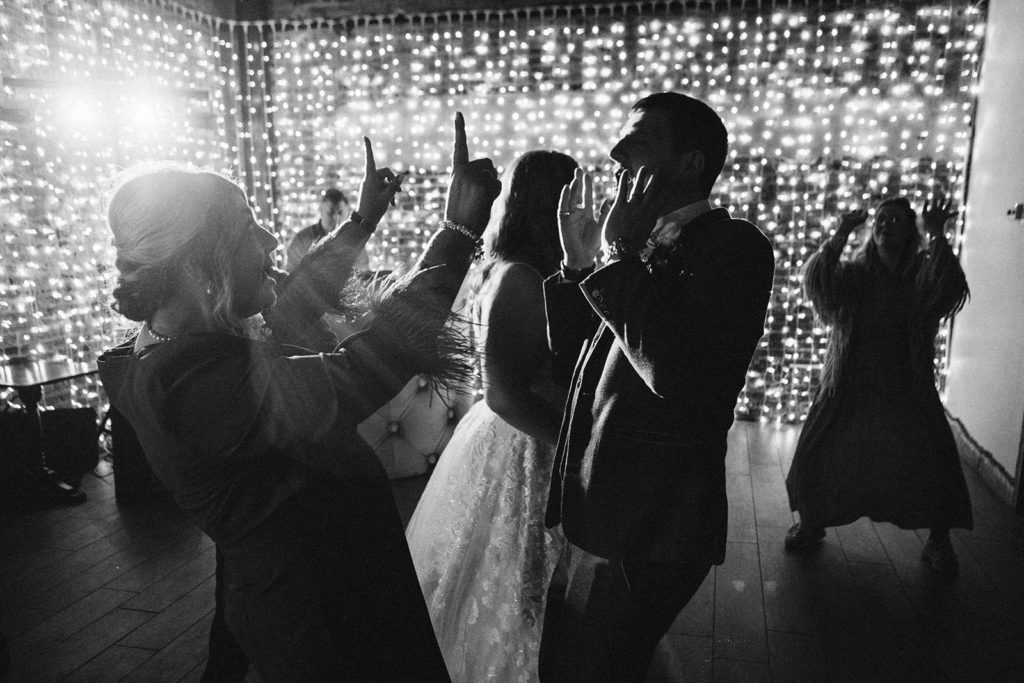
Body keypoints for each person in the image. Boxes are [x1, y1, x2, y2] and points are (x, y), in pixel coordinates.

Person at [97, 113, 501, 681]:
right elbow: (360, 373)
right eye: (247, 227)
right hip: (325, 618)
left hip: (314, 584)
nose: (268, 240)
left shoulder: (187, 342)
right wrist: (456, 233)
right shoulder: (187, 387)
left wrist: (362, 220)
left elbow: (295, 303)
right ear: (197, 263)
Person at [537, 92, 776, 681]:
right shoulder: (641, 242)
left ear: (691, 163)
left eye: (638, 139)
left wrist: (619, 255)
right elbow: (576, 366)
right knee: (568, 663)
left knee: (591, 670)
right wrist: (578, 264)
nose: (616, 151)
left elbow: (675, 373)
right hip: (601, 506)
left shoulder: (735, 246)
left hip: (652, 521)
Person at [405, 150, 578, 682]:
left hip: (514, 433)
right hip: (524, 439)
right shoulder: (521, 277)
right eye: (573, 197)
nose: (583, 208)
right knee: (518, 576)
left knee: (508, 573)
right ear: (550, 204)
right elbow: (505, 394)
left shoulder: (514, 268)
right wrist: (580, 446)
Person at [783, 196, 972, 576]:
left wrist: (938, 234)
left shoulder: (922, 270)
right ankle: (812, 522)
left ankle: (939, 540)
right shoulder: (857, 272)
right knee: (820, 449)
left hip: (906, 379)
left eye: (896, 220)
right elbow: (819, 281)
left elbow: (950, 288)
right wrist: (841, 233)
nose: (886, 225)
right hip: (851, 377)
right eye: (881, 219)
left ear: (911, 230)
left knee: (931, 458)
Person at [285, 186, 368, 273]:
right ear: (320, 210)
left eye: (340, 213)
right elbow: (291, 274)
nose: (336, 218)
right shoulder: (302, 240)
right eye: (330, 213)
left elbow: (363, 272)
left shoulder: (354, 242)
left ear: (347, 212)